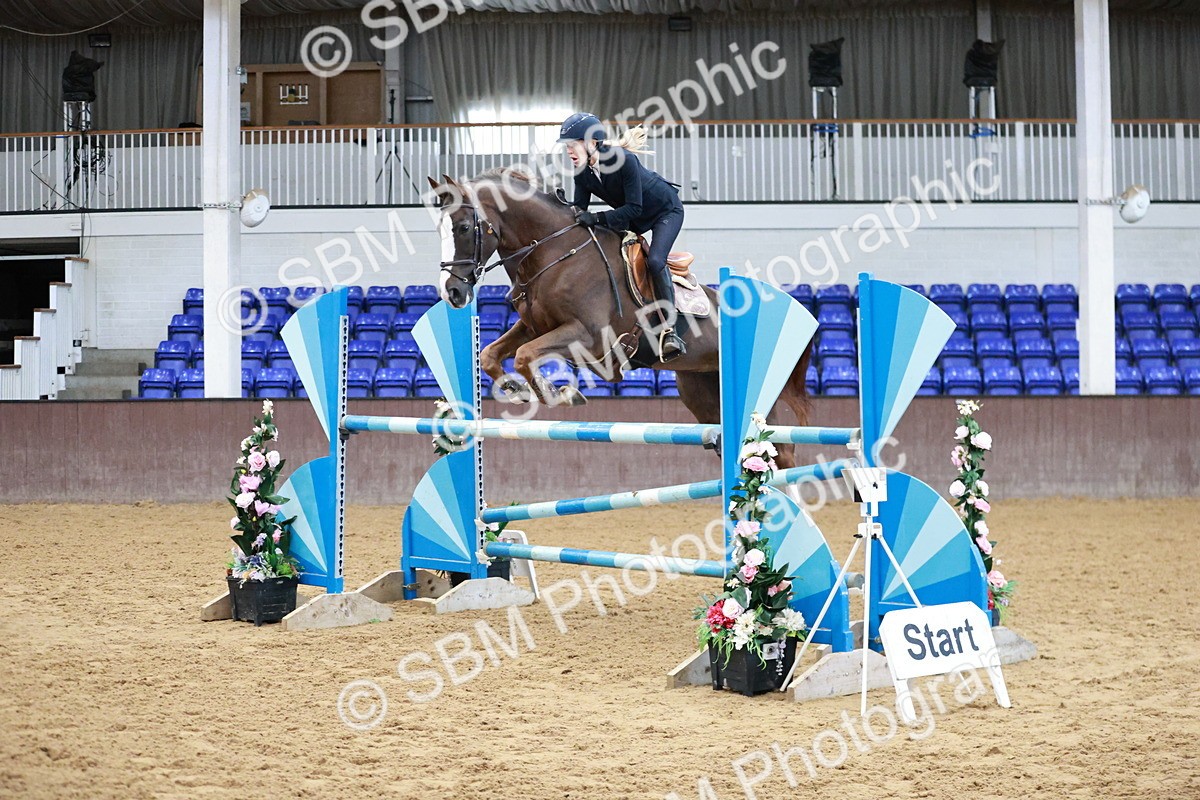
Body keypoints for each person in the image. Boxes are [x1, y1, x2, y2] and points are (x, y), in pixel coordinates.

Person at [558, 112, 687, 361]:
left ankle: (670, 330)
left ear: (592, 143)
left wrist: (596, 219)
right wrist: (561, 208)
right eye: (567, 147)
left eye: (572, 144)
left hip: (664, 211)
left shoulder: (623, 160)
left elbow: (634, 209)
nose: (569, 152)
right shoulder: (582, 172)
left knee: (656, 261)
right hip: (631, 218)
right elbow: (580, 211)